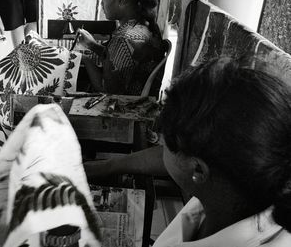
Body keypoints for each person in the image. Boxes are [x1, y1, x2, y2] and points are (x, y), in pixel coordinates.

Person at [88, 58, 291, 246]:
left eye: (163, 140)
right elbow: (169, 159)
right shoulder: (235, 189)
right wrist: (107, 166)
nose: (160, 146)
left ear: (198, 169)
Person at [77, 0, 163, 95]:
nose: (101, 3)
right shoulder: (141, 26)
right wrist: (92, 45)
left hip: (124, 109)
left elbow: (105, 89)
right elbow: (115, 60)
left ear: (121, 0)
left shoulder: (124, 38)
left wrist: (83, 58)